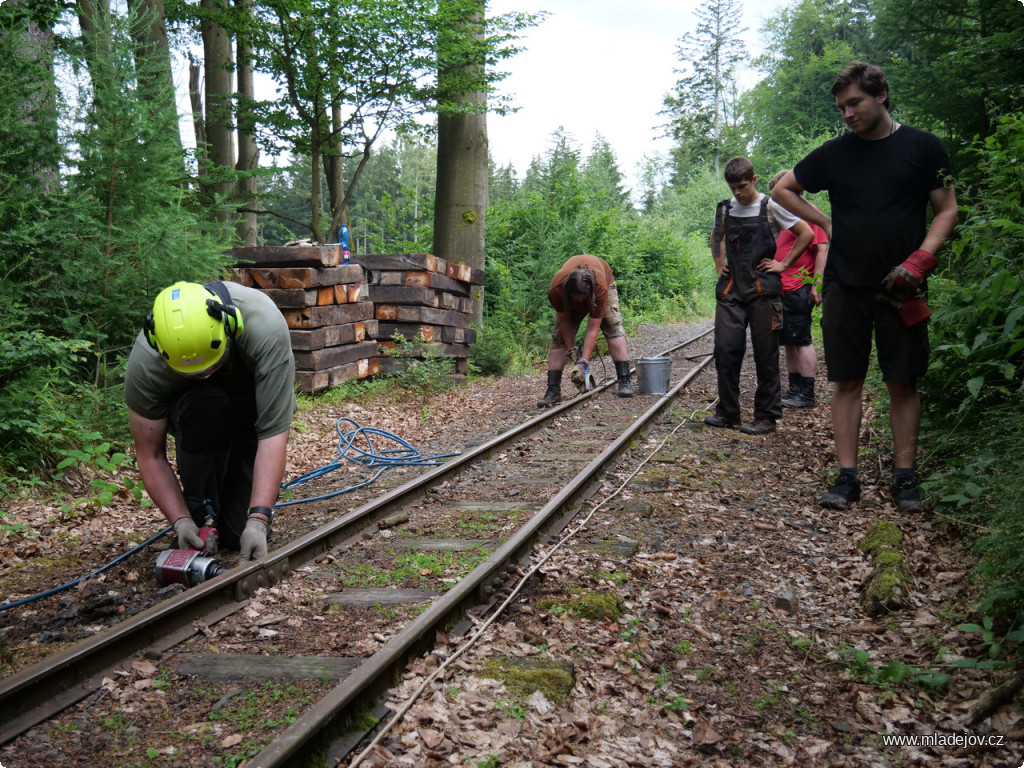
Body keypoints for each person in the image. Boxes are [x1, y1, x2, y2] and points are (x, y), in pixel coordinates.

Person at [772, 61, 958, 513]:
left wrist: (922, 258)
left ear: (881, 96)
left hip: (903, 289)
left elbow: (947, 209)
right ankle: (847, 476)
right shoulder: (835, 154)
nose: (848, 114)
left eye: (855, 103)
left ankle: (904, 478)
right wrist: (826, 223)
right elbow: (783, 189)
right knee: (846, 380)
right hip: (844, 284)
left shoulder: (923, 147)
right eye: (841, 108)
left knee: (903, 382)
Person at [125, 280, 296, 561]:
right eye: (193, 373)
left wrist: (258, 519)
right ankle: (202, 515)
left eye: (213, 366)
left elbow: (273, 434)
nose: (207, 375)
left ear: (230, 327)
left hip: (252, 409)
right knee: (207, 406)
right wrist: (180, 520)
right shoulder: (147, 362)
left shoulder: (265, 328)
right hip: (201, 421)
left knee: (239, 530)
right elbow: (150, 454)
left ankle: (235, 517)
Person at [705, 157, 813, 435]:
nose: (737, 193)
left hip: (764, 289)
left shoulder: (771, 206)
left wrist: (784, 264)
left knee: (766, 355)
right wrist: (718, 263)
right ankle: (727, 412)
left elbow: (807, 233)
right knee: (726, 350)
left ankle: (766, 416)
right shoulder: (725, 208)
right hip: (731, 289)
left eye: (742, 186)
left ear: (753, 180)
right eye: (732, 188)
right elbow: (716, 236)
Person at [766, 169, 830, 409]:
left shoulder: (810, 213)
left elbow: (822, 248)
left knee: (801, 340)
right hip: (781, 288)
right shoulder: (780, 214)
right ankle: (794, 389)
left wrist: (817, 284)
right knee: (789, 341)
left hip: (798, 286)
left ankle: (807, 392)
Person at [537, 254, 633, 407]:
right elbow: (565, 322)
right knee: (558, 338)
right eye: (576, 299)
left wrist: (583, 362)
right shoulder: (557, 290)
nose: (580, 302)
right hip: (567, 297)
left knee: (612, 325)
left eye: (583, 299)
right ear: (568, 293)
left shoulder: (600, 288)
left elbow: (592, 329)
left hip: (605, 284)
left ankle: (624, 381)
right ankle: (553, 390)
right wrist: (572, 351)